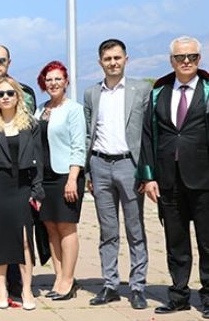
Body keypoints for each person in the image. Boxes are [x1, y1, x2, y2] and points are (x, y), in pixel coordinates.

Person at [138, 36, 209, 317]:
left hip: (204, 180)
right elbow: (147, 136)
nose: (186, 61)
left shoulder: (207, 90)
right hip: (168, 180)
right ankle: (178, 295)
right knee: (175, 242)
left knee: (207, 242)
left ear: (199, 59)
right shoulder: (159, 92)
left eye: (191, 56)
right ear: (172, 61)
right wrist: (148, 177)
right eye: (180, 57)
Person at [84, 39, 150, 309]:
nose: (112, 62)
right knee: (107, 231)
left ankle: (138, 287)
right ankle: (110, 284)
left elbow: (148, 135)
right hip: (100, 165)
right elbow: (89, 132)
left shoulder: (141, 90)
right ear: (100, 62)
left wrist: (146, 172)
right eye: (107, 58)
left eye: (117, 58)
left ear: (126, 59)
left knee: (135, 230)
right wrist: (88, 170)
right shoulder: (91, 93)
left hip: (129, 166)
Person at [0, 77, 44, 310]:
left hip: (22, 187)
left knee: (25, 241)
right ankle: (2, 290)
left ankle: (26, 290)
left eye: (10, 93)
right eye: (0, 94)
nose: (5, 97)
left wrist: (37, 189)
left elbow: (39, 161)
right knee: (0, 241)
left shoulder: (31, 125)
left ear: (18, 96)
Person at [33, 61, 86, 301]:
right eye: (49, 79)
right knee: (50, 228)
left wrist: (73, 178)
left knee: (66, 227)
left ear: (66, 82)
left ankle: (68, 279)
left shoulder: (73, 109)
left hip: (66, 175)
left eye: (57, 79)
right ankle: (59, 277)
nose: (53, 83)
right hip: (43, 176)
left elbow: (78, 146)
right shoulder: (39, 110)